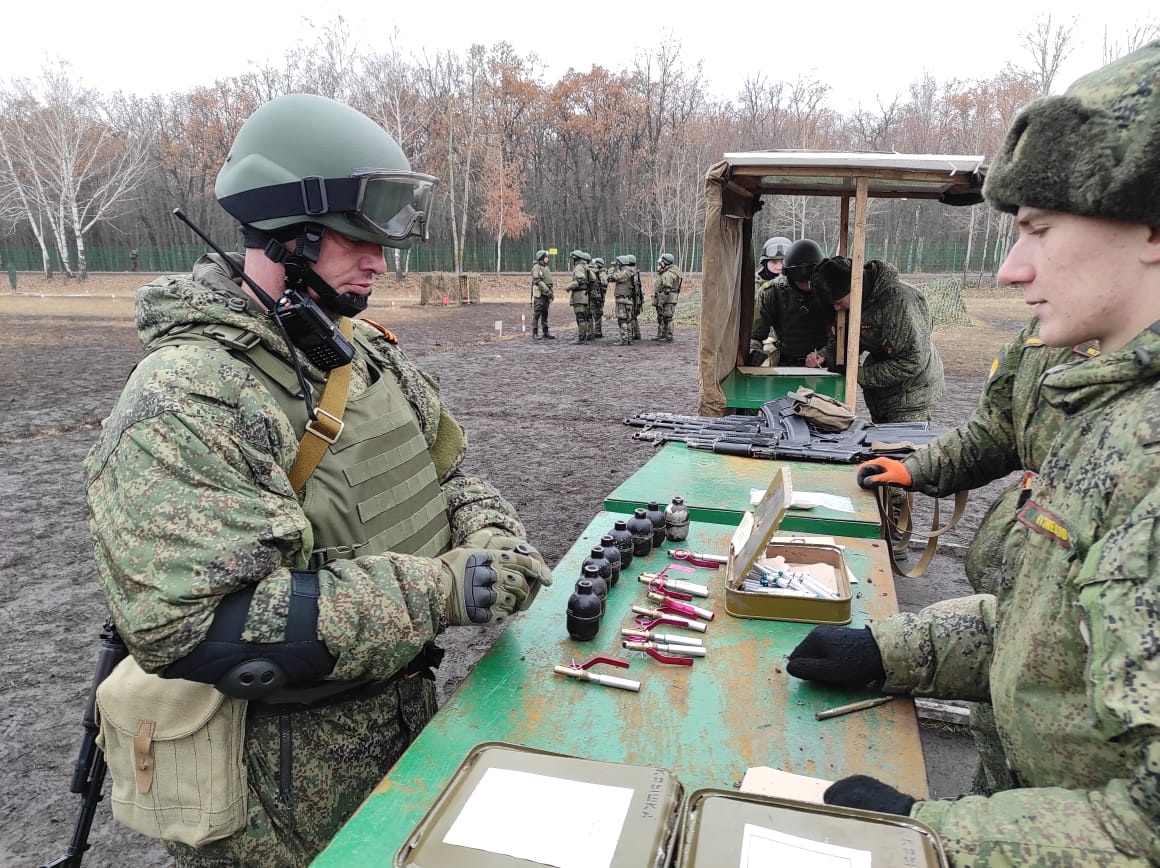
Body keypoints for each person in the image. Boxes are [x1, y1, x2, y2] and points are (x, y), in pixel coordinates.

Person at [82, 93, 554, 867]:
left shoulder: (359, 348)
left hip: (403, 730)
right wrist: (444, 589)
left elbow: (447, 471)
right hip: (274, 798)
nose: (379, 259)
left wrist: (493, 536)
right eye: (353, 238)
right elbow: (197, 629)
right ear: (286, 232)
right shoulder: (188, 394)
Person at [788, 41, 1160, 865]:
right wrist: (893, 649)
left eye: (1040, 229)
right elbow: (1043, 635)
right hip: (1018, 796)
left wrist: (936, 840)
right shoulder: (1103, 406)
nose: (1010, 267)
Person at [853, 318, 1100, 794]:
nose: (1012, 269)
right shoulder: (1051, 325)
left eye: (1043, 237)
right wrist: (915, 469)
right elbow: (1000, 423)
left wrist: (942, 832)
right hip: (1010, 751)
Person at [749, 238, 832, 366]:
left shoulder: (830, 290)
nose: (809, 285)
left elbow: (846, 332)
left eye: (812, 280)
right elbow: (755, 335)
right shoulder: (771, 293)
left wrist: (825, 354)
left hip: (824, 365)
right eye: (803, 281)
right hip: (786, 366)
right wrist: (754, 352)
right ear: (791, 276)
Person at [652, 252, 682, 341]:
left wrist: (661, 300)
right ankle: (662, 334)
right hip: (666, 298)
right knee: (662, 317)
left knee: (667, 317)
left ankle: (668, 335)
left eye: (661, 263)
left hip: (667, 299)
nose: (659, 264)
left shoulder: (668, 274)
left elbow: (667, 289)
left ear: (665, 263)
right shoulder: (667, 272)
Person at [608, 254, 637, 345]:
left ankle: (624, 339)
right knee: (628, 320)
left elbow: (611, 278)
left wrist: (612, 269)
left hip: (622, 300)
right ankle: (628, 339)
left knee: (622, 320)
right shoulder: (631, 272)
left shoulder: (624, 273)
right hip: (628, 300)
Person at [566, 249, 593, 344]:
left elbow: (581, 279)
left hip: (579, 296)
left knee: (580, 317)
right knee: (585, 317)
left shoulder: (578, 267)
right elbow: (592, 279)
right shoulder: (586, 267)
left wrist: (569, 286)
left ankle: (581, 337)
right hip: (585, 296)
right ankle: (585, 335)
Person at [530, 249, 556, 340]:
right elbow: (538, 281)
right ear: (541, 258)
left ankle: (545, 332)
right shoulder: (536, 267)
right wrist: (548, 292)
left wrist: (551, 292)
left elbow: (548, 282)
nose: (547, 259)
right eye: (546, 257)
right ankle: (535, 333)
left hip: (546, 294)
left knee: (545, 313)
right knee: (537, 314)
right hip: (540, 294)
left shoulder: (546, 267)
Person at [589, 256, 608, 338]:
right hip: (598, 296)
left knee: (596, 314)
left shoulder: (602, 273)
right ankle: (597, 331)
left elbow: (604, 283)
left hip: (598, 296)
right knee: (597, 314)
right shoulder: (600, 272)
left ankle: (596, 332)